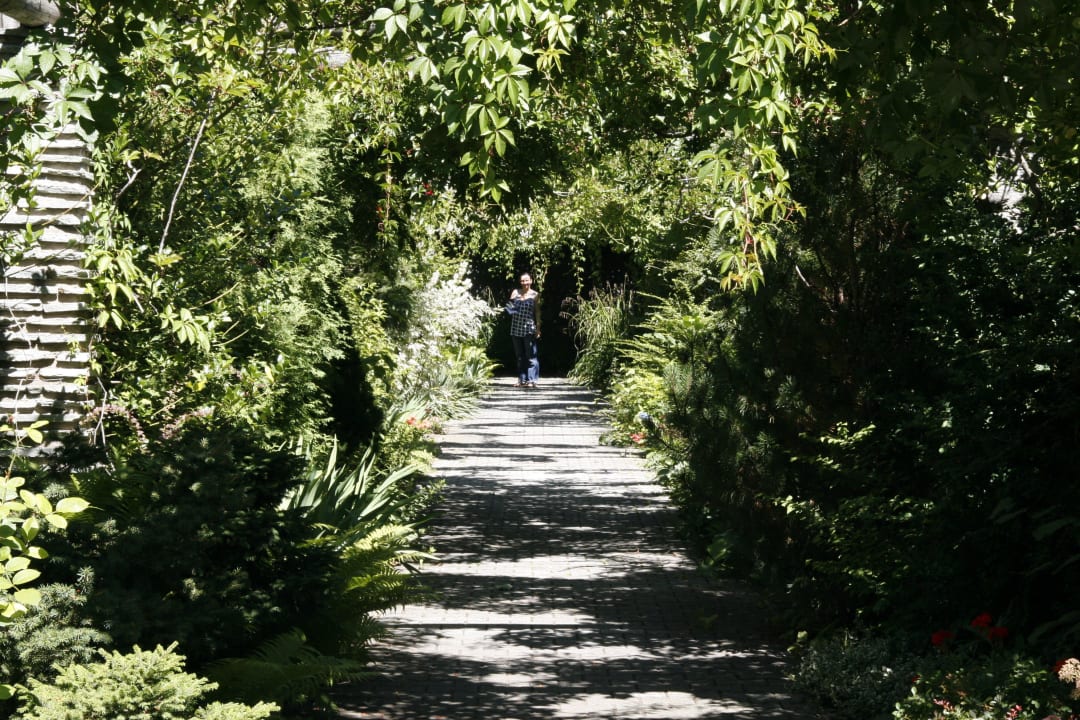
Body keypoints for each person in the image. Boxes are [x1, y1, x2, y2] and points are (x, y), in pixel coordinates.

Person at [506, 271, 541, 387]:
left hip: (529, 328)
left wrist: (538, 328)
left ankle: (532, 380)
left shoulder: (535, 294)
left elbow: (537, 312)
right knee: (520, 356)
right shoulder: (515, 292)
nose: (524, 282)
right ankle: (522, 380)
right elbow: (509, 309)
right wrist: (512, 302)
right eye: (522, 280)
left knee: (531, 355)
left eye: (527, 280)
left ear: (531, 281)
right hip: (516, 328)